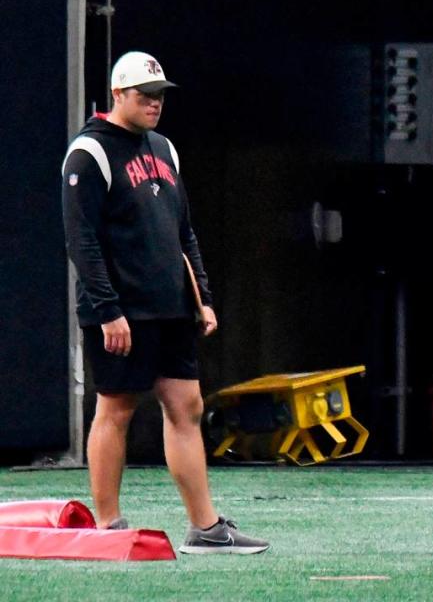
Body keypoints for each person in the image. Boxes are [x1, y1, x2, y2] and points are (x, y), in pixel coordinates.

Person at [62, 51, 268, 554]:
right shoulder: (89, 153)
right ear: (118, 95)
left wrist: (203, 298)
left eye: (159, 96)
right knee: (117, 407)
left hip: (171, 306)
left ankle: (206, 527)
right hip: (123, 311)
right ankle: (107, 526)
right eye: (144, 96)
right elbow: (81, 240)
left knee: (186, 405)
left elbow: (182, 231)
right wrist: (108, 309)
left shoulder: (164, 149)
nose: (154, 104)